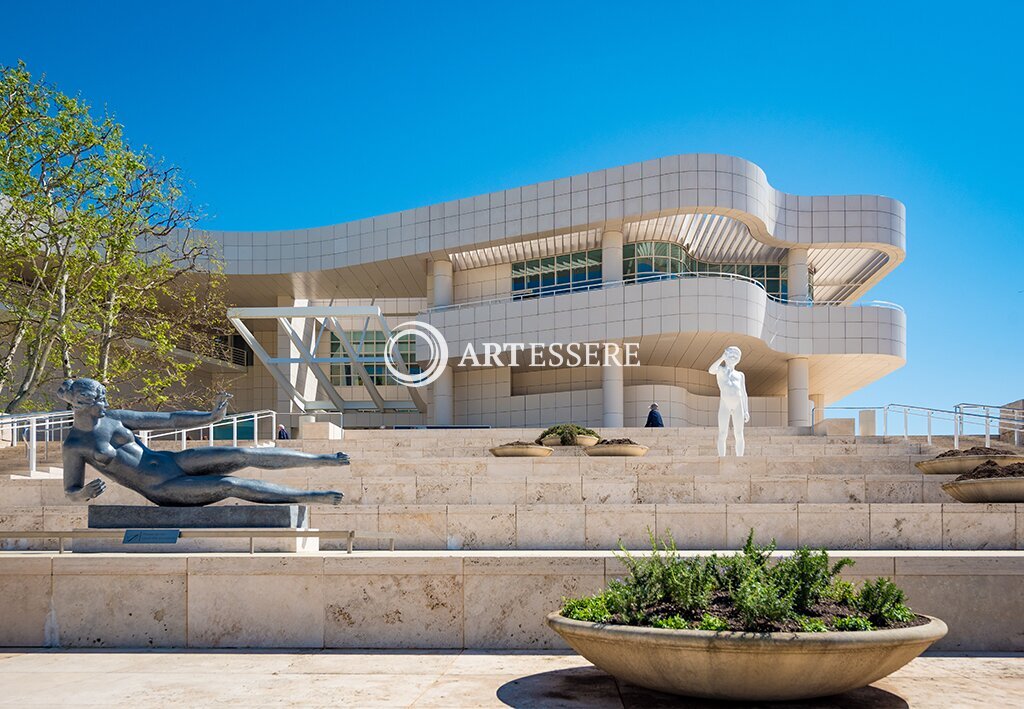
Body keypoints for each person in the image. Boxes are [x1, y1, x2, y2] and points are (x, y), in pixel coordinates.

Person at [59, 378, 348, 507]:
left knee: (242, 453)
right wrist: (84, 492)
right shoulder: (75, 444)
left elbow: (170, 419)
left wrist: (210, 417)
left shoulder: (115, 416)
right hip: (161, 487)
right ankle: (310, 497)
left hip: (173, 462)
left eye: (104, 398)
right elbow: (70, 491)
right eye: (96, 402)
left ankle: (321, 460)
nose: (104, 405)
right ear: (78, 405)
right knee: (229, 485)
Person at [708, 346, 749, 456]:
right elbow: (711, 370)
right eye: (731, 355)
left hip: (738, 404)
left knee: (739, 433)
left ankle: (740, 459)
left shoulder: (740, 375)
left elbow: (744, 393)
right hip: (725, 404)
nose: (734, 357)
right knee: (722, 433)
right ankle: (722, 458)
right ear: (726, 356)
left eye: (736, 356)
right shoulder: (721, 370)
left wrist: (746, 410)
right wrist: (722, 358)